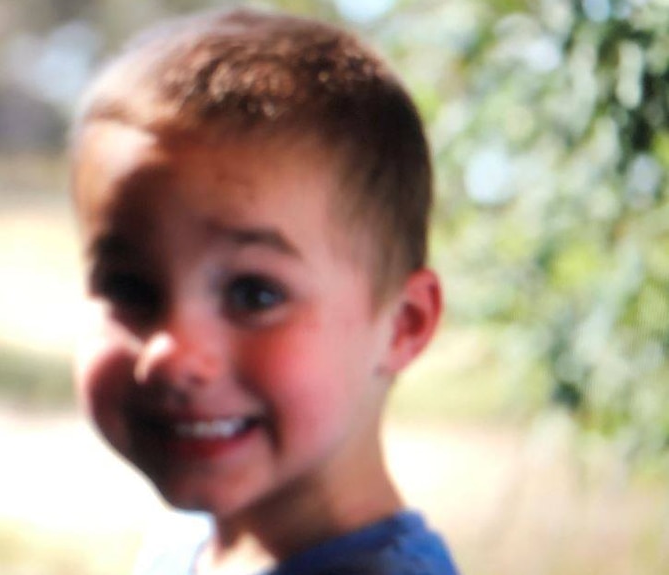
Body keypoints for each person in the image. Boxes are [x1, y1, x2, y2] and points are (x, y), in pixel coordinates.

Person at [70, 8, 459, 575]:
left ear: (403, 324)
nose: (168, 356)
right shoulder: (186, 544)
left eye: (254, 294)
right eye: (129, 287)